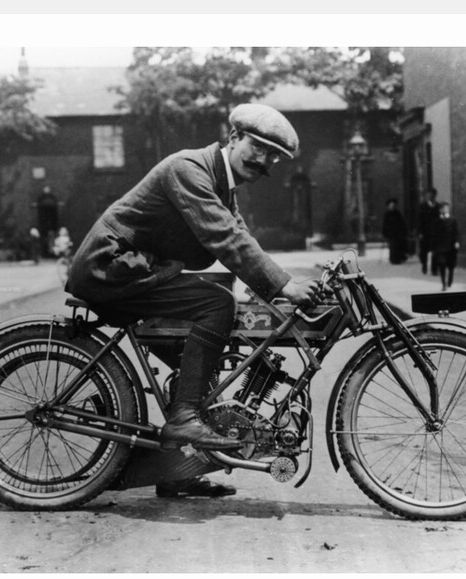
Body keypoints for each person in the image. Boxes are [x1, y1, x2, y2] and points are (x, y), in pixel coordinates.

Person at [69, 104, 320, 498]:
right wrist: (284, 286)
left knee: (205, 361)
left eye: (274, 156)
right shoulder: (188, 169)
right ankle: (184, 418)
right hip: (112, 267)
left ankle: (176, 470)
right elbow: (225, 238)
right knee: (216, 304)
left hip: (136, 269)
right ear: (234, 138)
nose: (266, 161)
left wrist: (270, 284)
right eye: (259, 147)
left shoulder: (220, 183)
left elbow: (239, 234)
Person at [430, 201, 460, 290]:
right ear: (440, 210)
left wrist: (457, 242)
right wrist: (432, 248)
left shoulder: (453, 220)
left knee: (451, 265)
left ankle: (450, 278)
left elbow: (456, 233)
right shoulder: (436, 221)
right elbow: (433, 235)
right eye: (443, 208)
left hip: (451, 247)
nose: (445, 210)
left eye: (446, 208)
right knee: (442, 264)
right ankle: (443, 283)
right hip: (440, 247)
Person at [417, 188, 440, 275]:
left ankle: (434, 269)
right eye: (428, 194)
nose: (430, 196)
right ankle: (424, 265)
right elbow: (419, 220)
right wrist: (420, 232)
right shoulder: (422, 206)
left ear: (434, 196)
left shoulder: (438, 206)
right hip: (425, 232)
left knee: (435, 251)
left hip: (435, 232)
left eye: (432, 195)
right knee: (424, 250)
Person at [381, 198, 408, 264]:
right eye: (391, 206)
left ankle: (399, 258)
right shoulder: (387, 214)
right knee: (392, 246)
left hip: (398, 233)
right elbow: (385, 224)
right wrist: (385, 233)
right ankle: (393, 259)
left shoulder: (397, 213)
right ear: (389, 206)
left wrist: (403, 230)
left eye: (393, 206)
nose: (392, 207)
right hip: (391, 233)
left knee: (398, 246)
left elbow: (402, 222)